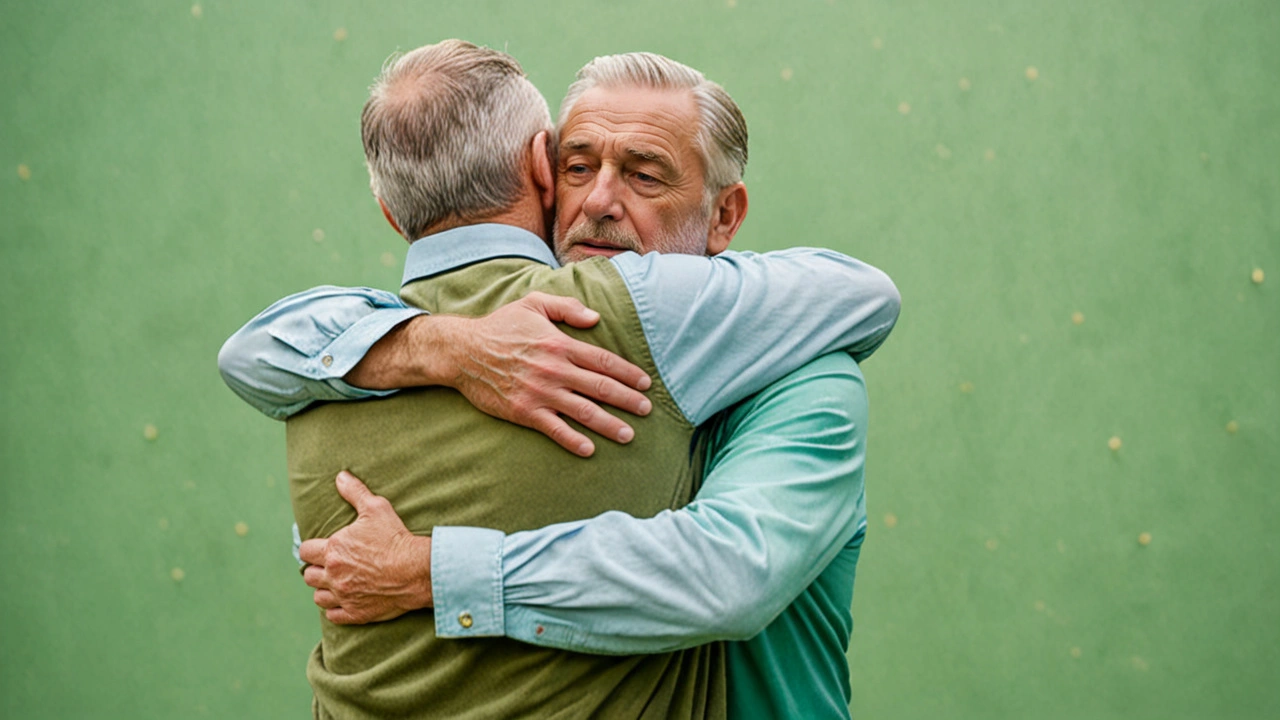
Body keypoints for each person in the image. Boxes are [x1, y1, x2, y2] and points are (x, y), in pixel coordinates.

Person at [219, 44, 899, 719]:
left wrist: (432, 571)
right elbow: (249, 353)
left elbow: (729, 573)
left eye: (645, 176)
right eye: (580, 167)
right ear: (543, 176)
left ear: (724, 216)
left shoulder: (809, 382)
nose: (600, 201)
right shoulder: (449, 337)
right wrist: (446, 348)